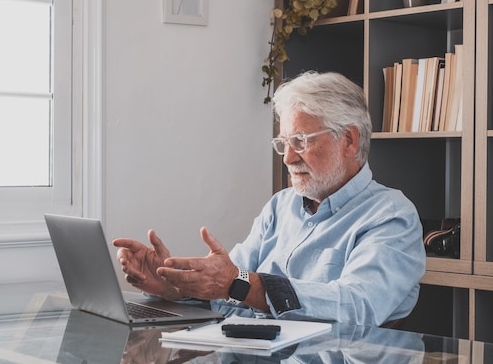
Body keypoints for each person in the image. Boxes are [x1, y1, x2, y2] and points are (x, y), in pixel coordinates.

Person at [113, 71, 426, 326]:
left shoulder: (391, 217)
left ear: (348, 139)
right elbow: (230, 284)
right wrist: (174, 286)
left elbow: (358, 306)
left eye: (301, 142)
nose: (288, 158)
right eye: (284, 143)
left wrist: (241, 284)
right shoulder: (281, 206)